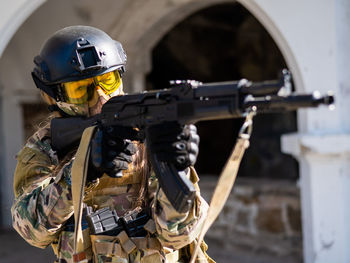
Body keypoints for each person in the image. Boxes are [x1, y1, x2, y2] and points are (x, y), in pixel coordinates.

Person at [11, 25, 213, 263]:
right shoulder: (46, 148)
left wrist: (173, 167)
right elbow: (32, 231)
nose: (101, 98)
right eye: (80, 90)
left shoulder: (147, 132)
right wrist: (82, 170)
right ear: (52, 96)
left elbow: (178, 235)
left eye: (108, 81)